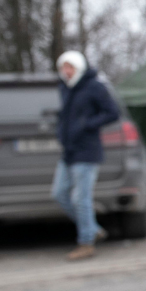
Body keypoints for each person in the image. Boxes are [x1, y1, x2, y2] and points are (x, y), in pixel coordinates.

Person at [52, 51, 120, 260]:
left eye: (70, 67)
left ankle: (86, 242)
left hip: (87, 150)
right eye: (63, 67)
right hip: (70, 150)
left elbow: (112, 112)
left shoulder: (94, 87)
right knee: (59, 193)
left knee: (81, 199)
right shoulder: (65, 88)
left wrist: (87, 125)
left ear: (79, 67)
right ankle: (92, 228)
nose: (66, 71)